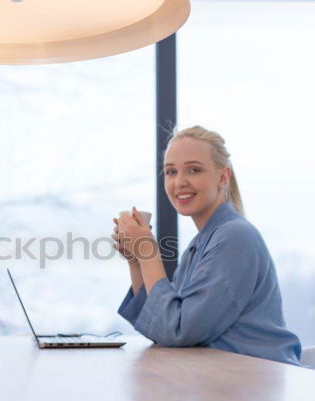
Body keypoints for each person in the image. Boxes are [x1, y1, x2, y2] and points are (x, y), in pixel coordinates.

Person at [113, 125, 302, 366]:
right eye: (170, 172)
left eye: (193, 170)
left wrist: (148, 252)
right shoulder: (201, 243)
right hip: (225, 379)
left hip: (255, 383)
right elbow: (162, 325)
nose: (179, 182)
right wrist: (136, 260)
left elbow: (178, 330)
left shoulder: (234, 238)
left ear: (223, 177)